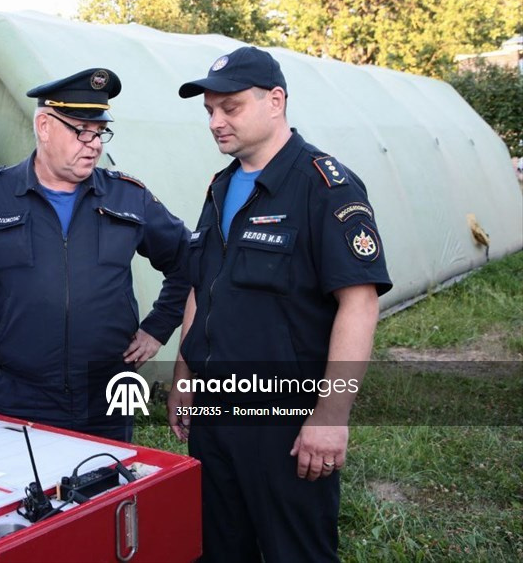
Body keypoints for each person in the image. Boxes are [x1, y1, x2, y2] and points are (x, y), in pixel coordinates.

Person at [167, 46, 392, 562]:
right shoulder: (222, 187)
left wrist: (332, 413)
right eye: (209, 111)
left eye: (230, 107)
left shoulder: (325, 186)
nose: (215, 122)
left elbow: (358, 304)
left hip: (284, 415)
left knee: (296, 550)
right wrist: (184, 374)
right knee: (220, 546)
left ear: (275, 100)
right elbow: (204, 287)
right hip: (216, 406)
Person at [0, 68, 191, 441]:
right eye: (82, 130)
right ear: (45, 126)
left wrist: (158, 328)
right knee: (31, 495)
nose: (94, 144)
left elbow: (190, 260)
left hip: (109, 396)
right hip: (23, 397)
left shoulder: (128, 198)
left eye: (100, 132)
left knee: (107, 492)